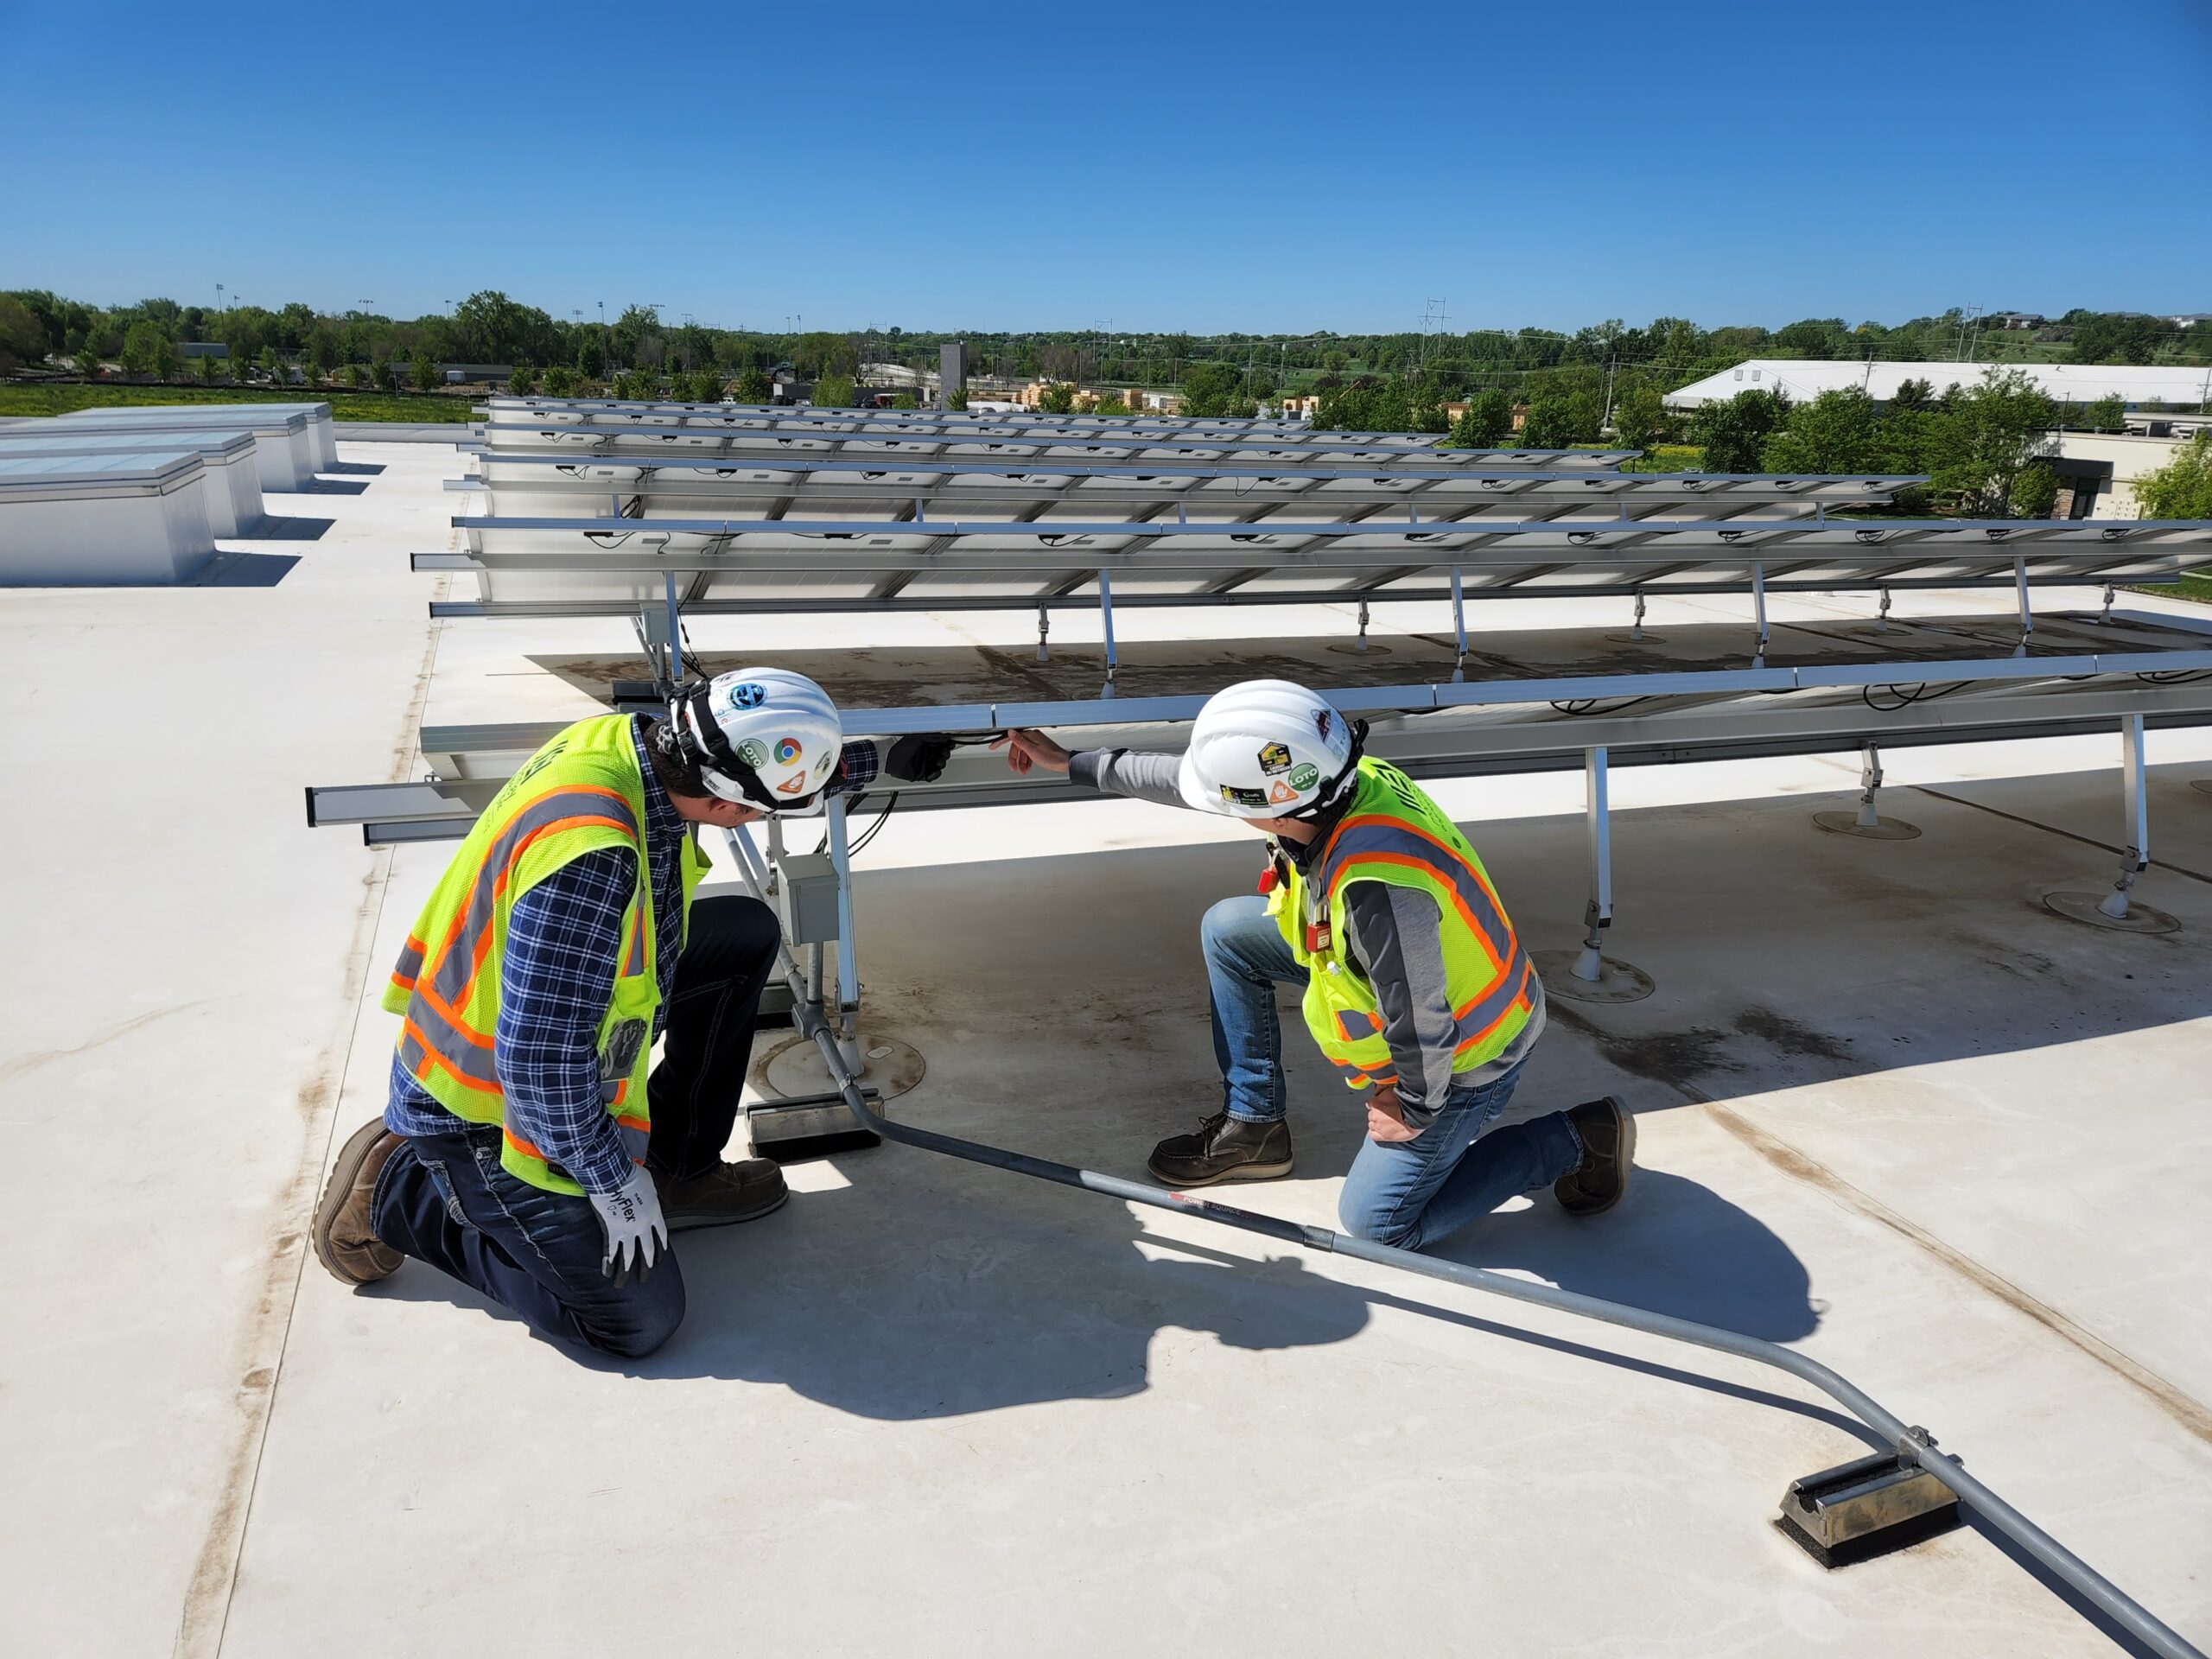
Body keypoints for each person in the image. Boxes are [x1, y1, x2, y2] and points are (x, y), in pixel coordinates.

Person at [313, 668, 881, 1358]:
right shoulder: (591, 858)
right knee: (638, 1318)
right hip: (486, 1106)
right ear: (732, 807)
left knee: (740, 938)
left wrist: (939, 747)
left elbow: (774, 763)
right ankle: (399, 1191)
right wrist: (613, 1182)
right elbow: (539, 1063)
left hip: (538, 1016)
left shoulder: (633, 742)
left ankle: (681, 1167)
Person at [995, 678, 1633, 1252]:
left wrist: (1410, 1106)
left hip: (1470, 1053)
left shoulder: (1377, 890)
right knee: (1229, 930)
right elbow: (1185, 781)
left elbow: (1421, 1014)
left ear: (1276, 805)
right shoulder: (1340, 778)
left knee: (1381, 1225)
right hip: (1404, 976)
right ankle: (1255, 1126)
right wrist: (1069, 761)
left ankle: (1575, 1137)